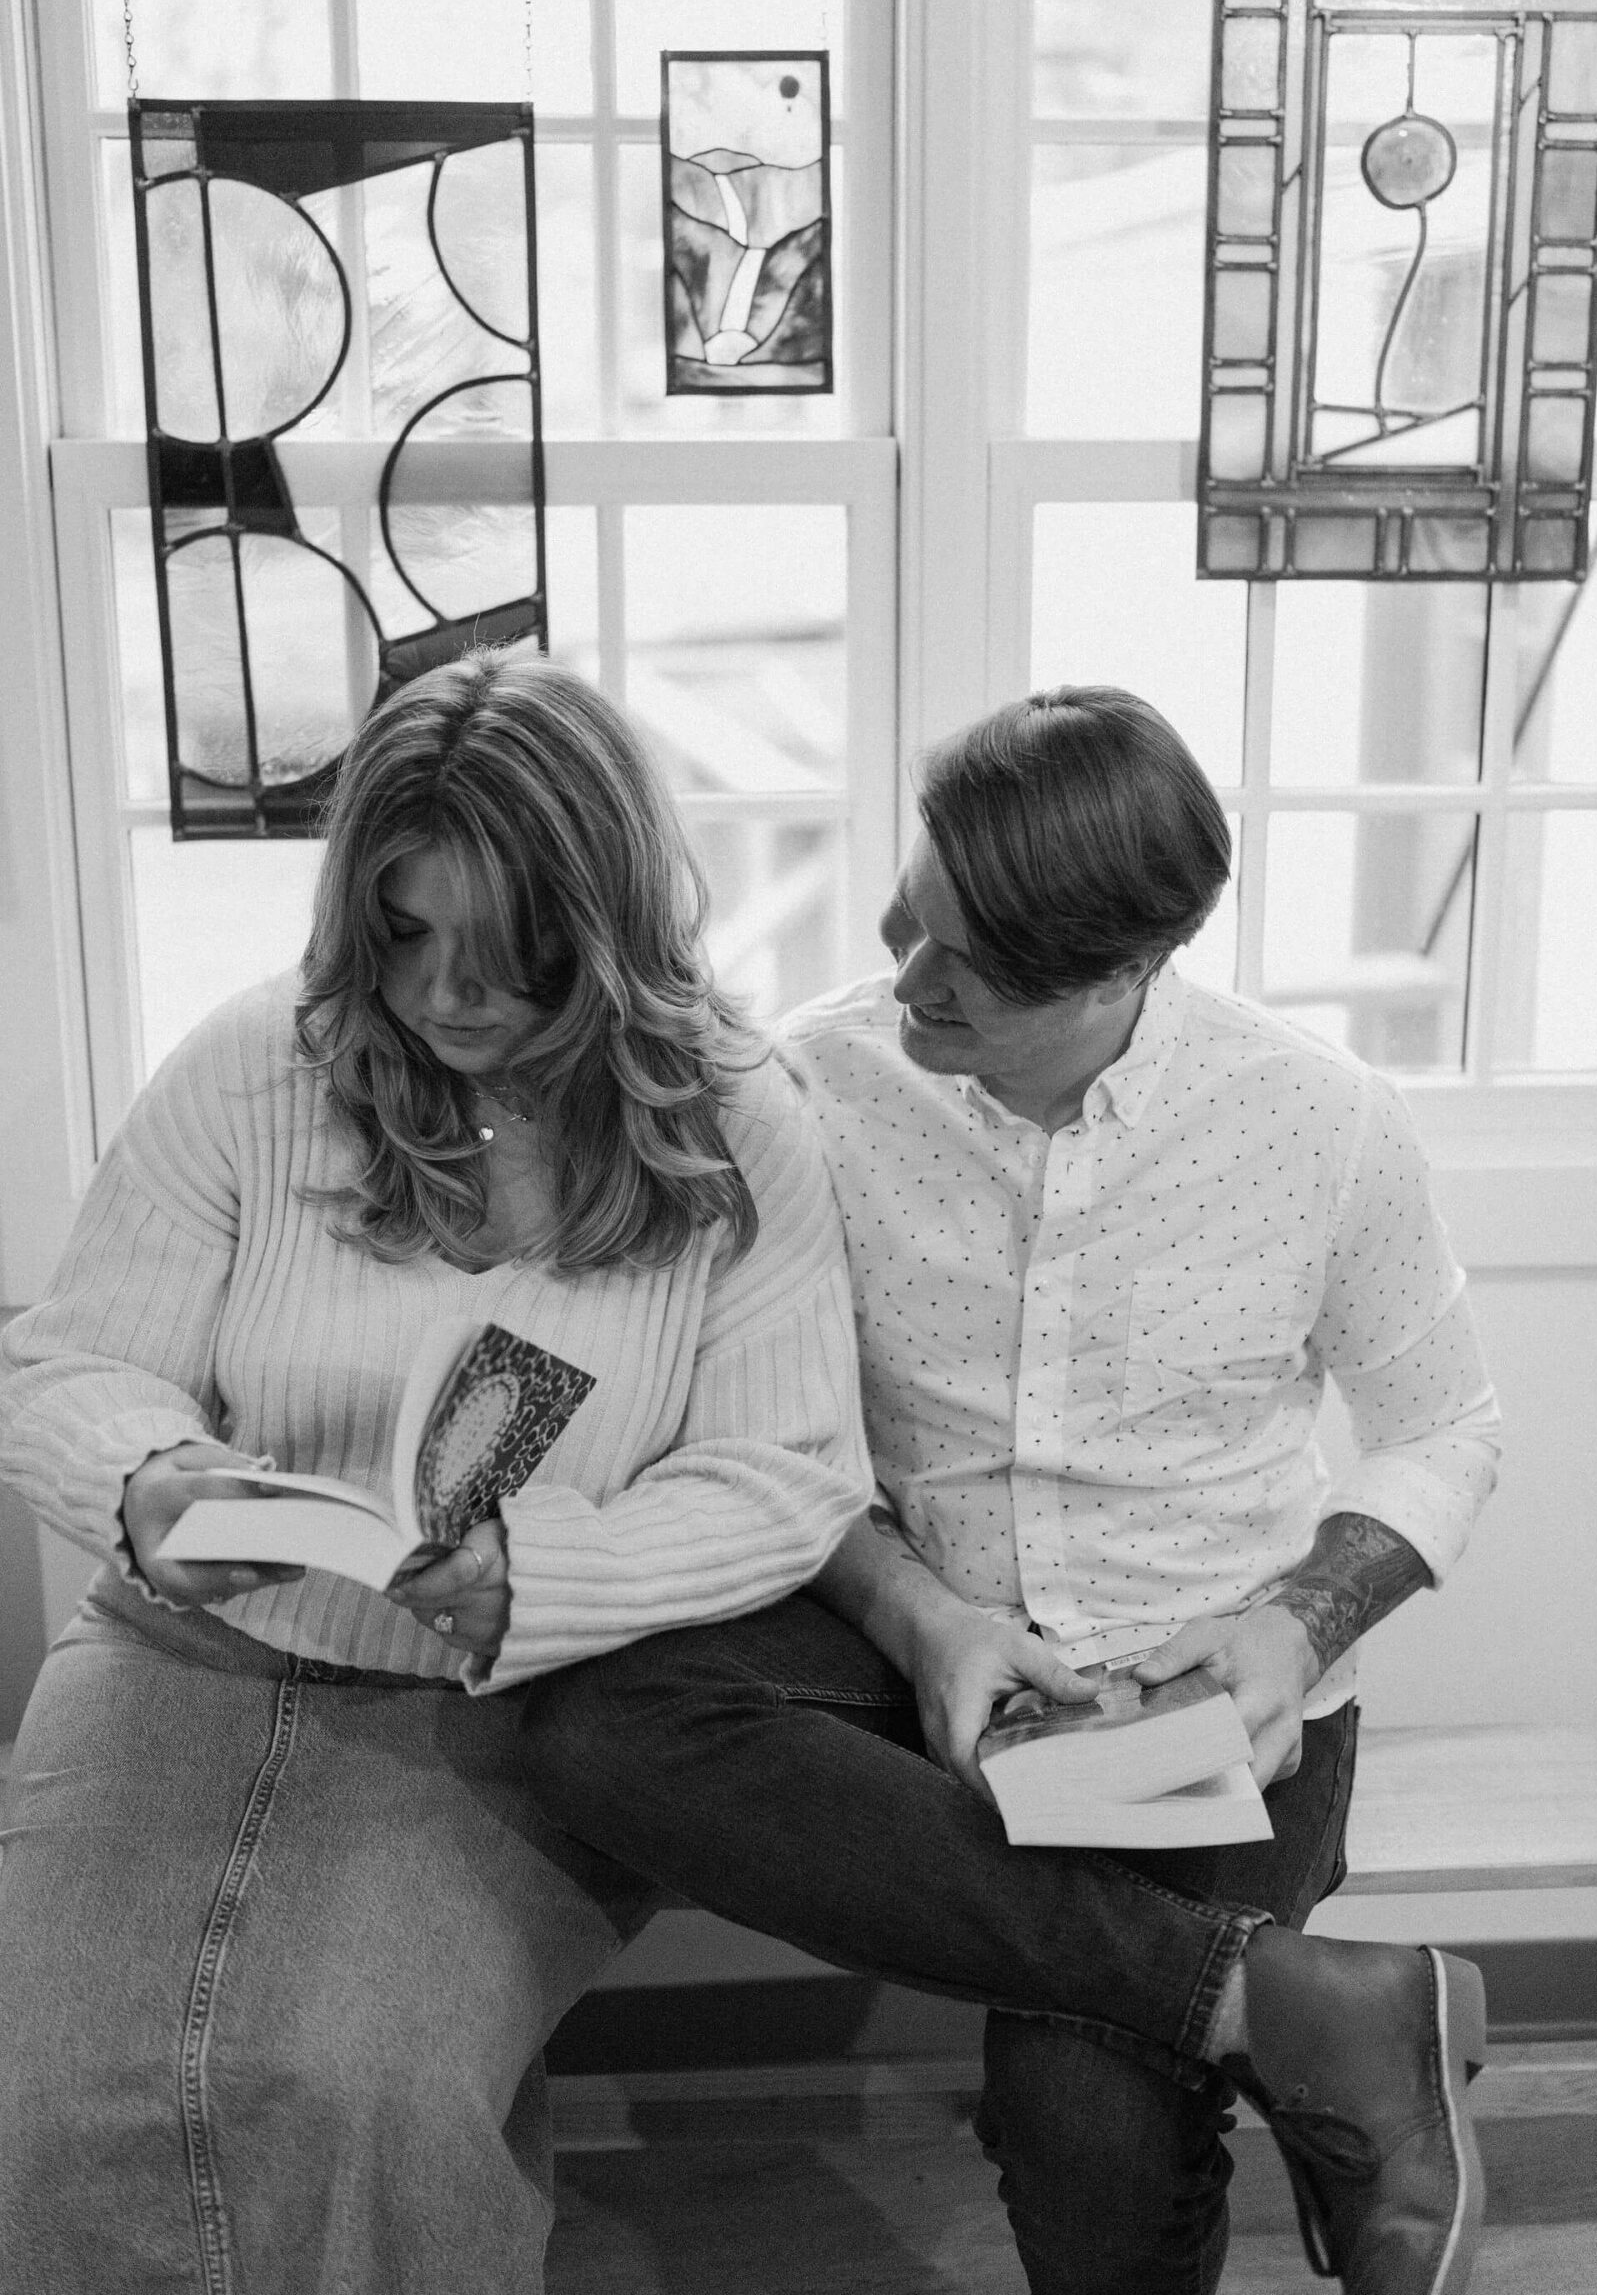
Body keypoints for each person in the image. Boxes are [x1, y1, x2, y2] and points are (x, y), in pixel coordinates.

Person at [522, 685, 1502, 2295]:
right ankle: (1312, 2016)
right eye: (909, 918)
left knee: (1089, 2128)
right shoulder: (817, 1089)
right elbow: (757, 1429)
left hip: (1208, 1693)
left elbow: (1444, 1429)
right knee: (603, 1723)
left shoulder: (1322, 1124)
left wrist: (1289, 1628)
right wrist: (917, 1618)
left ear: (1132, 968)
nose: (907, 978)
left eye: (968, 966)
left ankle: (1277, 2023)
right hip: (913, 1643)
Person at [0, 652, 875, 2295]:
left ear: (603, 928)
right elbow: (71, 1362)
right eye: (404, 936)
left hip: (508, 1692)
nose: (451, 998)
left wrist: (552, 1582)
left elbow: (787, 1473)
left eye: (511, 953)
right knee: (42, 2099)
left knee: (363, 2090)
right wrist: (146, 1478)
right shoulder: (256, 1066)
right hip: (179, 1653)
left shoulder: (741, 1119)